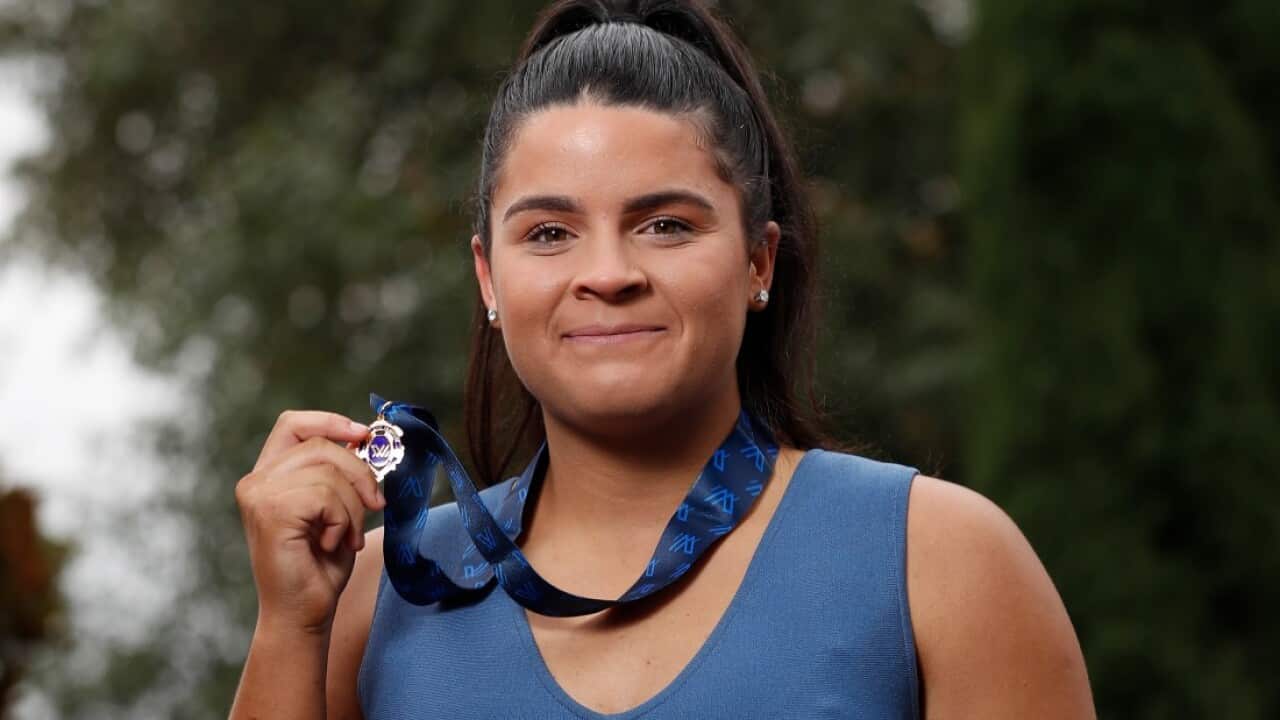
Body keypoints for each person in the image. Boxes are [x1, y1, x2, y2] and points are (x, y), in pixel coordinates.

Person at [229, 1, 1096, 717]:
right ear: (488, 278)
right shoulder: (367, 597)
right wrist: (290, 627)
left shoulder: (939, 560)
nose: (608, 274)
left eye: (666, 224)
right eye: (551, 233)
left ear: (759, 261)